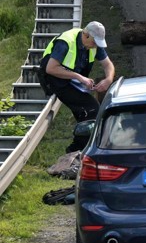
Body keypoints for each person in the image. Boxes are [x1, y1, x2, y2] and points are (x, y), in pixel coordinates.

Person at [39, 21, 116, 153]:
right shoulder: (65, 42)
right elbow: (51, 69)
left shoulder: (93, 44)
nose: (95, 46)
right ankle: (76, 150)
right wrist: (79, 78)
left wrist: (108, 79)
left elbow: (108, 65)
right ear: (86, 35)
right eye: (94, 42)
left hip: (72, 80)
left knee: (88, 113)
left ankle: (79, 150)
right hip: (54, 79)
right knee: (91, 109)